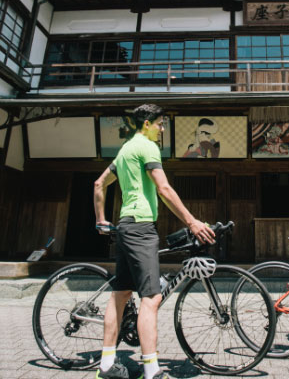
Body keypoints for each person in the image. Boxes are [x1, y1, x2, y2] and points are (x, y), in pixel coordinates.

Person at [94, 104, 215, 379]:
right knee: (151, 298)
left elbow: (99, 184)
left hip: (125, 225)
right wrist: (192, 222)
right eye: (160, 124)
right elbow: (163, 188)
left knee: (121, 294)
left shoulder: (125, 149)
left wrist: (101, 219)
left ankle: (106, 365)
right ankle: (151, 371)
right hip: (141, 228)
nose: (162, 129)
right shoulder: (148, 147)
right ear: (147, 123)